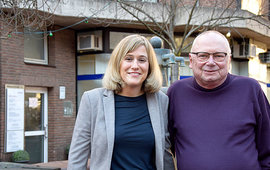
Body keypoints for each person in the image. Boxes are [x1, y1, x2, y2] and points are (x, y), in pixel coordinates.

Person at [68, 34, 175, 170]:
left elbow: (165, 154)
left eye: (142, 60)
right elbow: (78, 156)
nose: (135, 66)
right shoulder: (92, 100)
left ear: (149, 66)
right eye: (128, 59)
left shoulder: (161, 101)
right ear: (118, 63)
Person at [167, 30, 270, 170]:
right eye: (203, 56)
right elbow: (169, 144)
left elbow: (267, 147)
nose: (210, 62)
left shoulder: (250, 89)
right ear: (191, 60)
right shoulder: (176, 93)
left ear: (229, 60)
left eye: (218, 56)